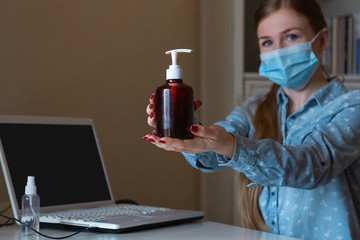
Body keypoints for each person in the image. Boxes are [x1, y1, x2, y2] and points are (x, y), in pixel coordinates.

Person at [143, 0, 360, 239]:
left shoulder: (352, 107)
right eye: (267, 42)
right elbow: (213, 154)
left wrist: (229, 144)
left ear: (322, 40)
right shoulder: (253, 108)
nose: (278, 50)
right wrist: (190, 132)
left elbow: (312, 165)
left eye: (291, 37)